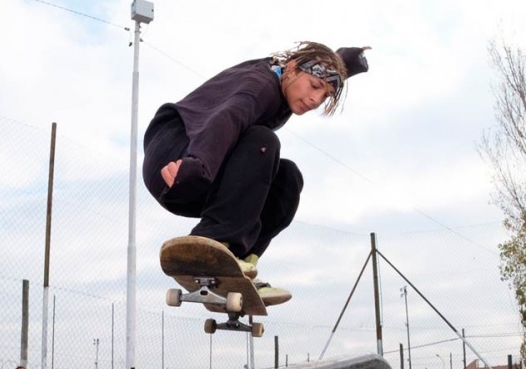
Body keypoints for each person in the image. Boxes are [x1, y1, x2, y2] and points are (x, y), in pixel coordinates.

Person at [143, 41, 370, 303]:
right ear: (293, 68)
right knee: (263, 142)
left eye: (325, 95)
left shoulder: (289, 74)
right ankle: (210, 241)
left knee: (288, 179)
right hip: (176, 155)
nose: (315, 100)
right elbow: (228, 118)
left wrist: (346, 62)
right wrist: (197, 165)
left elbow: (322, 66)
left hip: (205, 165)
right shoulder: (260, 85)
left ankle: (237, 261)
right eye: (315, 87)